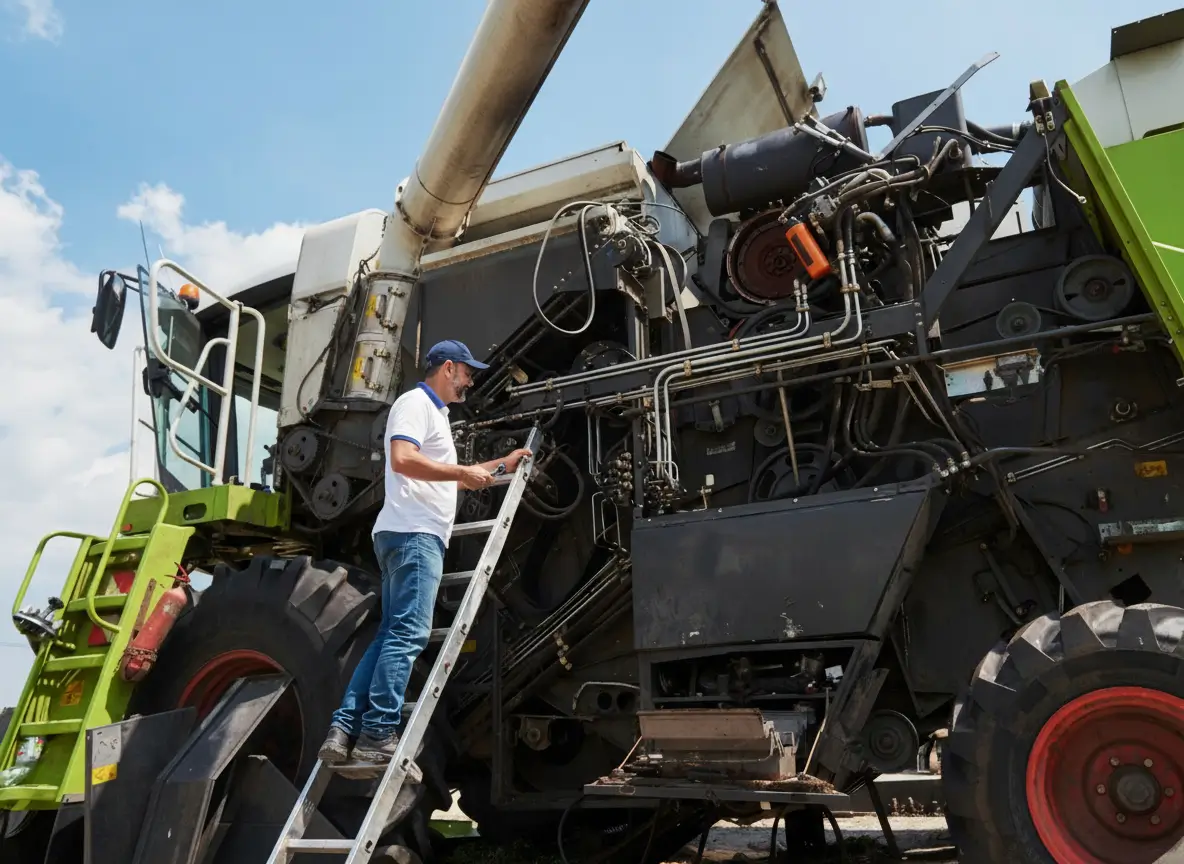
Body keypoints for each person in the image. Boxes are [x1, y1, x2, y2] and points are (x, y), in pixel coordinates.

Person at [318, 339, 531, 765]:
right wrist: (461, 470)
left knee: (389, 635)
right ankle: (377, 733)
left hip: (405, 532)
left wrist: (501, 464)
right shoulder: (415, 403)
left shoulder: (434, 414)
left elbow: (445, 476)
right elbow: (402, 458)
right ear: (448, 368)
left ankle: (342, 731)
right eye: (467, 372)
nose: (470, 380)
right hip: (416, 535)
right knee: (410, 634)